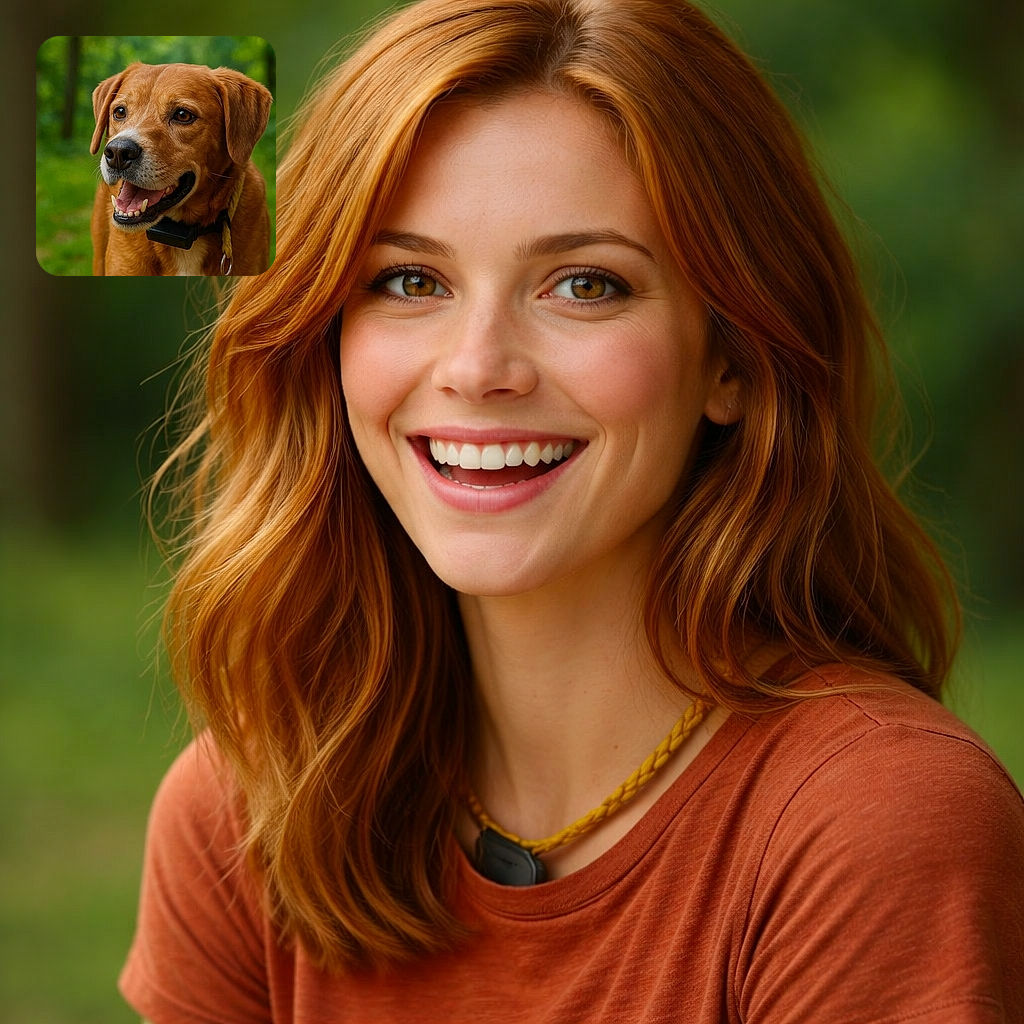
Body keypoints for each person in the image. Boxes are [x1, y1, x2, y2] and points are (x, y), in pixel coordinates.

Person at [119, 0, 1024, 1020]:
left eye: (584, 285)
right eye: (409, 280)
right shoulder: (246, 803)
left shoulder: (873, 820)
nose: (478, 369)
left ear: (731, 355)